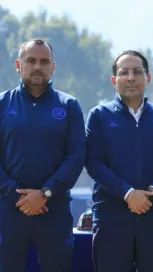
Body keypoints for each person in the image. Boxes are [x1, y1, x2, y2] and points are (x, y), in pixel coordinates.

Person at [85, 50, 153, 272]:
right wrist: (127, 193)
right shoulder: (99, 116)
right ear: (114, 80)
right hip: (111, 219)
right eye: (123, 72)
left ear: (148, 77)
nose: (131, 78)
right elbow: (93, 162)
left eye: (137, 72)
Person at [0, 39, 85, 272]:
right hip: (8, 212)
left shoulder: (69, 106)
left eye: (44, 61)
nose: (38, 66)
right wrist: (15, 196)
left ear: (53, 67)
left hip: (54, 211)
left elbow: (76, 157)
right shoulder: (2, 103)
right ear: (18, 65)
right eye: (31, 61)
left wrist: (46, 193)